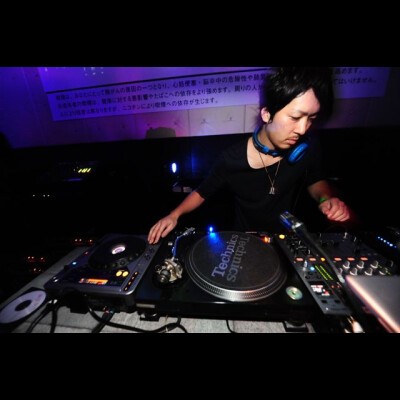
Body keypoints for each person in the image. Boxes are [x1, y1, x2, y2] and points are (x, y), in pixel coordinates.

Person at [148, 67, 351, 244]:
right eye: (295, 117)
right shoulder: (231, 159)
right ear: (267, 114)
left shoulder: (307, 146)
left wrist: (326, 199)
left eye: (311, 118)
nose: (303, 129)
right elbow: (202, 192)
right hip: (244, 241)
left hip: (285, 240)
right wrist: (174, 215)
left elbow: (315, 179)